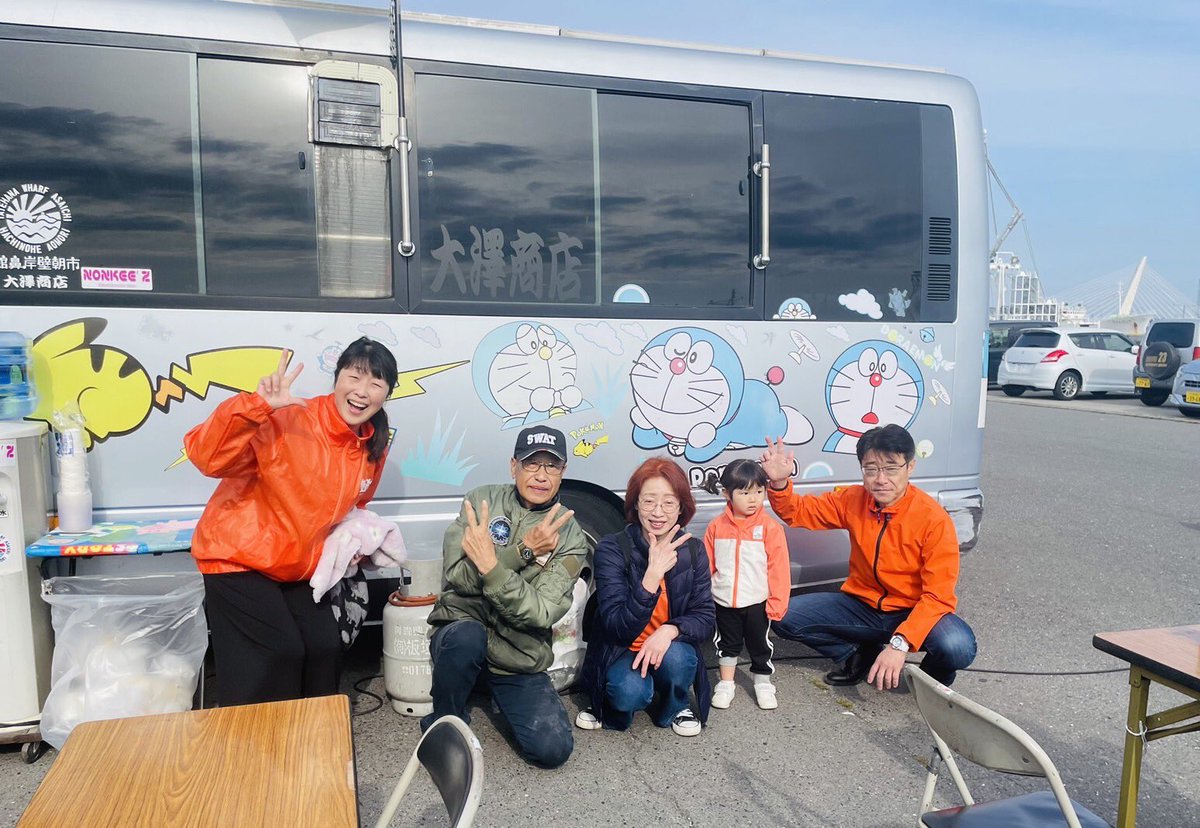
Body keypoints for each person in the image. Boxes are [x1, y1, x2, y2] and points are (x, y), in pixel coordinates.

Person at [185, 337, 398, 705]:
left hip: (293, 567)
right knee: (279, 651)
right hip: (238, 557)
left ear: (387, 393)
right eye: (354, 377)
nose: (362, 392)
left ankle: (311, 738)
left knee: (324, 646)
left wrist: (355, 544)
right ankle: (258, 744)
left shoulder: (371, 446)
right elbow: (207, 457)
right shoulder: (289, 418)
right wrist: (255, 407)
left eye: (376, 383)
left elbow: (355, 506)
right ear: (337, 378)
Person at [760, 424, 976, 691]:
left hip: (911, 608)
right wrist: (780, 483)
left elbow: (938, 596)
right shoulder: (854, 499)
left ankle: (929, 683)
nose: (880, 478)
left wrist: (900, 644)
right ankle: (858, 654)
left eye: (891, 467)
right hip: (861, 605)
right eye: (871, 468)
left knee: (957, 646)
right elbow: (800, 511)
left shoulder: (934, 520)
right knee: (783, 616)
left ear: (910, 467)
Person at [423, 425, 585, 769]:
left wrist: (490, 566)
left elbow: (541, 612)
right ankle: (444, 719)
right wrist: (523, 551)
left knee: (553, 751)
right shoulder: (480, 502)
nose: (541, 476)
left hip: (517, 654)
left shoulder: (571, 535)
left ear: (563, 472)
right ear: (514, 466)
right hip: (464, 630)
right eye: (531, 464)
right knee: (465, 638)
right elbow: (457, 577)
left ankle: (485, 685)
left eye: (551, 466)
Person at [576, 457, 715, 736]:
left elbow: (706, 618)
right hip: (622, 647)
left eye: (668, 502)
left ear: (681, 508)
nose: (658, 512)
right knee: (629, 694)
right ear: (635, 504)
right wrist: (651, 577)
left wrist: (670, 629)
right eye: (649, 501)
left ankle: (675, 706)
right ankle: (617, 697)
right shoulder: (612, 548)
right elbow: (616, 625)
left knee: (681, 660)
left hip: (667, 647)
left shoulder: (694, 551)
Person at [701, 459, 790, 710]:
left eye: (759, 491)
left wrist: (777, 603)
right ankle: (726, 684)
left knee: (760, 644)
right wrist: (703, 599)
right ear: (727, 493)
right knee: (726, 644)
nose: (753, 499)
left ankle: (763, 683)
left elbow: (779, 569)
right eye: (745, 492)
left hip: (757, 601)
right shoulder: (716, 527)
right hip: (723, 600)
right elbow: (707, 565)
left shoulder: (770, 528)